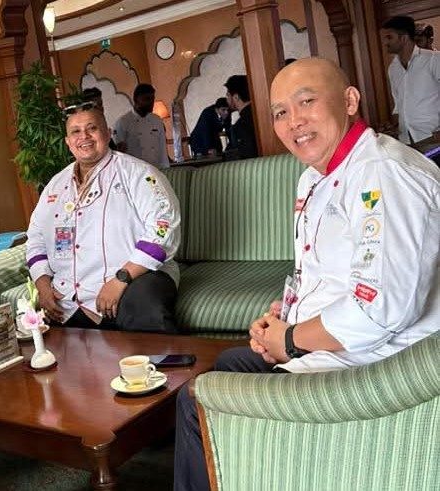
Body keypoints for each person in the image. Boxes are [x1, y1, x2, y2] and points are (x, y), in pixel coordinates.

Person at [173, 57, 440, 491]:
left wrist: (292, 340)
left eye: (307, 102)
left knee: (196, 401)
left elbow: (380, 309)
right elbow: (319, 271)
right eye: (280, 112)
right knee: (229, 362)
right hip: (334, 348)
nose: (294, 121)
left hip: (374, 367)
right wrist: (283, 316)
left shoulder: (382, 174)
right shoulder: (314, 177)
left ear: (349, 101)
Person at [26, 103, 181, 332]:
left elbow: (164, 229)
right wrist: (42, 284)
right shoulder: (55, 185)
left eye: (92, 128)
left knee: (144, 305)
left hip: (136, 276)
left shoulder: (139, 173)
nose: (84, 137)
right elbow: (36, 238)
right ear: (68, 142)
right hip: (70, 293)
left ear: (108, 134)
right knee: (38, 337)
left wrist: (121, 279)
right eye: (76, 132)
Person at [381, 16, 440, 144]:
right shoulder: (393, 68)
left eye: (389, 37)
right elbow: (398, 105)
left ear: (403, 38)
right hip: (406, 140)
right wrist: (393, 126)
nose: (385, 42)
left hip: (433, 138)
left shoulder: (434, 60)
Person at [112, 83, 170, 168]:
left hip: (156, 168)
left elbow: (163, 148)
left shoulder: (157, 120)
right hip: (135, 170)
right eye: (147, 99)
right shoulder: (123, 122)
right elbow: (120, 153)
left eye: (152, 99)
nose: (151, 102)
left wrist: (166, 168)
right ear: (136, 99)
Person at [222, 74, 259, 160]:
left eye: (228, 95)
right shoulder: (261, 115)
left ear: (236, 97)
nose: (227, 99)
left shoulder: (241, 125)